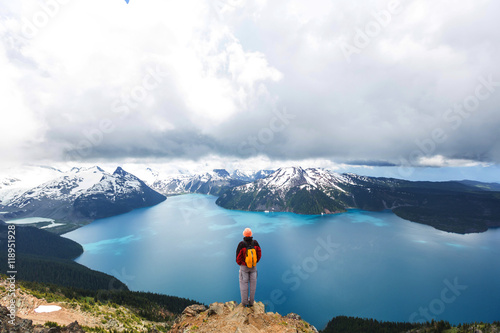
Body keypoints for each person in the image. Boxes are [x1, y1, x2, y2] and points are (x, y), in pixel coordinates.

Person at [236, 227, 262, 307]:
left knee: (244, 285)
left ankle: (244, 303)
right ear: (251, 235)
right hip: (253, 267)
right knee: (253, 286)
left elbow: (238, 258)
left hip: (244, 268)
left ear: (244, 234)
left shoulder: (241, 244)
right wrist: (255, 262)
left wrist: (242, 264)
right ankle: (251, 303)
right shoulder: (255, 243)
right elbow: (259, 254)